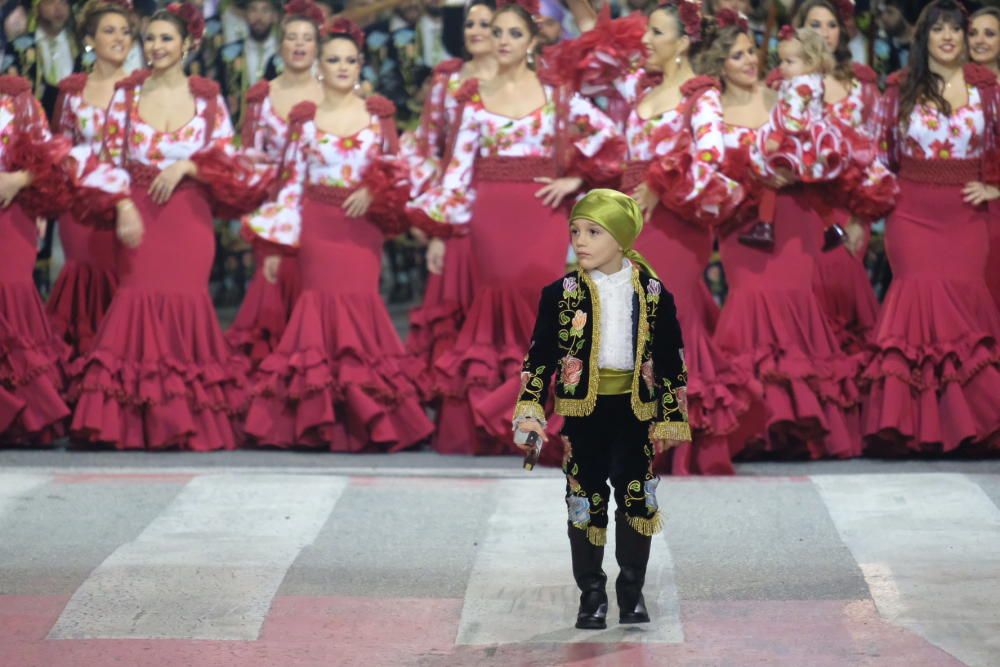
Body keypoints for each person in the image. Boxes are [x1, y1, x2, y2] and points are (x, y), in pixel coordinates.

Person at [407, 0, 624, 455]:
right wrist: (440, 234)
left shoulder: (558, 93)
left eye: (513, 34)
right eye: (498, 32)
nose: (503, 41)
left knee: (542, 304)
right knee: (499, 303)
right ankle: (504, 426)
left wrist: (575, 178)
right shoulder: (472, 97)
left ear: (531, 42)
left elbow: (611, 136)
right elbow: (456, 174)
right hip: (490, 218)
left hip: (543, 215)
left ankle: (551, 419)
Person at [67, 2, 274, 451]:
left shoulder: (208, 97)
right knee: (136, 298)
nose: (156, 47)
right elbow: (102, 161)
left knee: (185, 302)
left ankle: (184, 421)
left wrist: (185, 167)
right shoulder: (126, 93)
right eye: (151, 39)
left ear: (187, 44)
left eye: (166, 39)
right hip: (139, 215)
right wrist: (122, 205)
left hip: (188, 219)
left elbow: (225, 160)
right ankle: (132, 422)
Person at [243, 18, 434, 452]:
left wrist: (374, 190)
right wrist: (274, 244)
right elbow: (289, 183)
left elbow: (400, 173)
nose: (343, 66)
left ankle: (370, 418)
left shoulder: (378, 115)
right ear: (320, 67)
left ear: (360, 65)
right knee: (317, 309)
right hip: (316, 226)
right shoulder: (304, 121)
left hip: (361, 231)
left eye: (350, 60)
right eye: (334, 59)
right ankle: (315, 419)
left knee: (360, 308)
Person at [512, 189, 690, 630]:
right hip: (583, 416)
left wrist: (670, 415)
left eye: (594, 231)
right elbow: (540, 357)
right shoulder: (560, 294)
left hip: (636, 415)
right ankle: (591, 594)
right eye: (575, 231)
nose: (581, 241)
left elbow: (671, 357)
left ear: (622, 236)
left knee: (637, 500)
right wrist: (532, 408)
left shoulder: (653, 293)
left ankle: (631, 591)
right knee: (584, 502)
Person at [702, 11, 865, 461]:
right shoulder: (708, 110)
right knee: (752, 302)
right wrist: (747, 179)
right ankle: (755, 428)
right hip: (742, 225)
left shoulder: (786, 97)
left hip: (793, 217)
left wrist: (794, 170)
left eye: (751, 51)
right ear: (719, 63)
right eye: (737, 55)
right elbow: (705, 166)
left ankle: (802, 429)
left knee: (795, 303)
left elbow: (829, 150)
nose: (749, 60)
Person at [865, 0, 1000, 455]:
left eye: (955, 29)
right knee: (919, 301)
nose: (948, 36)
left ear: (964, 37)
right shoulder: (899, 88)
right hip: (911, 214)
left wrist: (997, 188)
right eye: (938, 29)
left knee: (963, 307)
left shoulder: (988, 88)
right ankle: (916, 430)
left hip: (968, 215)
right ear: (924, 38)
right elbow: (878, 157)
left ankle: (972, 424)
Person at [790, 0, 894, 356]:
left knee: (841, 310)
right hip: (796, 212)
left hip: (846, 214)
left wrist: (861, 219)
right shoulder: (782, 84)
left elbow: (878, 156)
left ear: (842, 30)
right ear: (799, 29)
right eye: (814, 24)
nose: (824, 33)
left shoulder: (861, 86)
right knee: (803, 313)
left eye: (831, 25)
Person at [403, 0, 495, 393]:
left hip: (506, 204)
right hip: (457, 207)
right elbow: (427, 148)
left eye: (486, 24)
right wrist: (432, 219)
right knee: (457, 303)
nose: (475, 30)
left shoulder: (527, 81)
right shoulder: (446, 82)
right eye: (469, 23)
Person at [226, 0, 324, 368]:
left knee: (316, 292)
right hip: (273, 212)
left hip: (321, 210)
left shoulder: (334, 91)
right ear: (280, 46)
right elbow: (249, 158)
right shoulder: (261, 98)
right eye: (291, 38)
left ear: (317, 47)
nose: (299, 45)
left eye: (307, 39)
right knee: (272, 290)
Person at [47, 0, 135, 360]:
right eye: (109, 31)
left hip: (130, 206)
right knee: (83, 279)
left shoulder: (141, 89)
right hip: (80, 207)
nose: (119, 39)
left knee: (127, 284)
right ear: (89, 39)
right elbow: (58, 146)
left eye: (126, 32)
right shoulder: (71, 92)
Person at [0, 73, 74, 444]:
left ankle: (24, 418)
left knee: (11, 296)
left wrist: (18, 181)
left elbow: (50, 160)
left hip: (11, 214)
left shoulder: (18, 99)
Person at [744, 25, 850, 251]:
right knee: (811, 189)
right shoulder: (814, 80)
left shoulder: (800, 86)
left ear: (810, 61)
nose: (781, 67)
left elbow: (793, 117)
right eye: (781, 61)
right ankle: (832, 226)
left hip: (794, 140)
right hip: (810, 141)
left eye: (789, 62)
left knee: (770, 175)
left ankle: (764, 225)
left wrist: (776, 135)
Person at [970, 6, 1000, 312]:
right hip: (959, 204)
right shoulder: (953, 86)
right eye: (973, 33)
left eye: (989, 33)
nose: (980, 40)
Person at [217, 0, 280, 122]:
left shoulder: (284, 56)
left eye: (265, 10)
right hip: (237, 132)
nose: (259, 16)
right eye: (253, 10)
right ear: (245, 14)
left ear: (274, 16)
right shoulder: (228, 54)